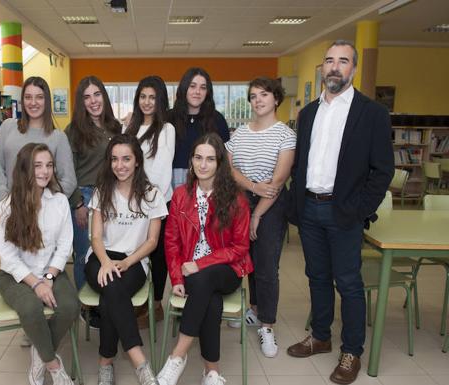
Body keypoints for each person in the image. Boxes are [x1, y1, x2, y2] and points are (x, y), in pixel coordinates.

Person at [286, 40, 394, 385]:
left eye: (343, 61)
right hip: (310, 209)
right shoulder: (309, 113)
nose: (335, 67)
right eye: (330, 61)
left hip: (344, 211)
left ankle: (352, 351)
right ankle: (320, 336)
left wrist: (361, 209)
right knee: (316, 277)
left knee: (348, 283)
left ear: (354, 69)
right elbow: (300, 162)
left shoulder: (372, 113)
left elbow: (383, 170)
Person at [157, 133, 253, 385]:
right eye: (198, 158)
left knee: (206, 278)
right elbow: (172, 242)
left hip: (227, 269)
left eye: (210, 159)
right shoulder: (180, 195)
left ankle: (177, 355)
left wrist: (200, 263)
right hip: (191, 274)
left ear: (220, 164)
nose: (203, 164)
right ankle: (212, 373)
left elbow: (240, 247)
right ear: (191, 160)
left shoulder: (237, 199)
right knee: (209, 299)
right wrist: (176, 277)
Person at [0, 143, 79, 385]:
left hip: (51, 272)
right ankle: (52, 365)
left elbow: (65, 248)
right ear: (24, 169)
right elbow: (9, 259)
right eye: (37, 165)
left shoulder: (60, 202)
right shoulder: (5, 208)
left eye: (49, 165)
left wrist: (49, 279)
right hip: (15, 277)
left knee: (70, 307)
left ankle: (39, 353)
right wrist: (36, 284)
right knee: (31, 308)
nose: (44, 172)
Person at [85, 134, 167, 385]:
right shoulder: (102, 191)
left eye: (126, 159)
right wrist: (107, 262)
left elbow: (152, 241)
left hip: (135, 260)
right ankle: (139, 360)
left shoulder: (152, 194)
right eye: (114, 159)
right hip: (101, 257)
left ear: (137, 162)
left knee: (112, 294)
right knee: (113, 286)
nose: (120, 165)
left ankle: (105, 363)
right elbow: (96, 237)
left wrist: (129, 261)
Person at [225, 77, 296, 358]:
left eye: (264, 95)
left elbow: (278, 181)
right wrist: (252, 188)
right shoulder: (240, 133)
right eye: (253, 96)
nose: (258, 100)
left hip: (272, 205)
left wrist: (258, 214)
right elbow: (229, 169)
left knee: (267, 267)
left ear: (276, 98)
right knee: (249, 263)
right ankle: (254, 310)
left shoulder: (285, 134)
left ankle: (267, 324)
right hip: (243, 200)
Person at [66, 76, 122, 327]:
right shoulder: (74, 130)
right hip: (85, 199)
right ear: (81, 102)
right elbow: (66, 173)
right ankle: (86, 306)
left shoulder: (115, 127)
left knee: (105, 252)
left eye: (97, 94)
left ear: (104, 96)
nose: (93, 101)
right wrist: (78, 203)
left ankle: (104, 300)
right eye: (87, 97)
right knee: (83, 255)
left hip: (111, 197)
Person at [124, 76, 176, 325]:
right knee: (135, 251)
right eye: (143, 97)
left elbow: (162, 173)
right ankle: (138, 302)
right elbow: (124, 164)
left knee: (157, 256)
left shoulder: (167, 130)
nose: (147, 102)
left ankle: (155, 305)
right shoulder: (129, 128)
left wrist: (147, 202)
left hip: (157, 204)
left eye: (152, 98)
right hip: (132, 202)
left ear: (160, 101)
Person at [0, 76, 77, 203]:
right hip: (9, 208)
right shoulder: (7, 127)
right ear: (22, 100)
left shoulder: (58, 138)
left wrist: (45, 202)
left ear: (47, 101)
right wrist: (4, 201)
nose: (33, 102)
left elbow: (69, 181)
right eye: (28, 97)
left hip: (44, 213)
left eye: (39, 97)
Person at [168, 67, 230, 189]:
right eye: (192, 86)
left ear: (208, 92)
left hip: (209, 181)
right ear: (184, 88)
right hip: (172, 182)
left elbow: (225, 158)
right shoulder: (168, 118)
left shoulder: (217, 120)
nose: (197, 91)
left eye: (203, 87)